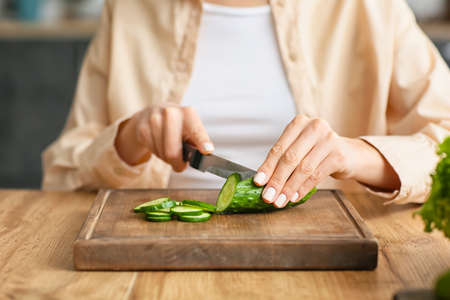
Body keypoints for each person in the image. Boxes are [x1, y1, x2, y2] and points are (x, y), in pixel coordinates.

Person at [42, 0, 450, 207]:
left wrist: (357, 154)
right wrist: (127, 140)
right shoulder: (129, 9)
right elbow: (61, 173)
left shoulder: (370, 8)